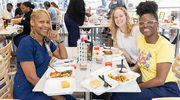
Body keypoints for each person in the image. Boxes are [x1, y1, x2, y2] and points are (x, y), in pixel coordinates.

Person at [110, 1, 180, 100]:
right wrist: (131, 71)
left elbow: (160, 80)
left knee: (119, 95)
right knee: (117, 88)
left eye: (150, 22)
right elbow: (142, 61)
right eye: (142, 23)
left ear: (157, 24)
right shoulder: (140, 40)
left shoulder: (164, 46)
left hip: (165, 89)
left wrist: (137, 87)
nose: (145, 25)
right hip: (149, 85)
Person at [13, 9, 76, 100]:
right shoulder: (26, 44)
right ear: (32, 22)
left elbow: (63, 56)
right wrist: (56, 97)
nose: (46, 25)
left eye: (47, 22)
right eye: (41, 22)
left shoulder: (46, 41)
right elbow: (31, 78)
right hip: (29, 91)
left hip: (44, 85)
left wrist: (59, 40)